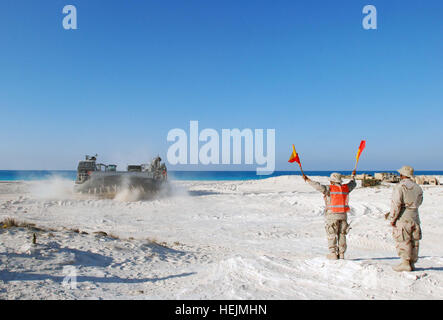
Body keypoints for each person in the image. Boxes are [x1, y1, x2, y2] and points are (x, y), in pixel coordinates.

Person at [303, 170, 357, 260]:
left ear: (332, 181)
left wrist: (308, 180)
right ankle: (342, 254)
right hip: (343, 215)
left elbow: (318, 186)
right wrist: (353, 176)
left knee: (332, 234)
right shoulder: (345, 188)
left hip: (332, 215)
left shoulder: (329, 188)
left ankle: (333, 254)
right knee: (342, 234)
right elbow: (353, 184)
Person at [389, 165, 423, 272]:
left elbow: (396, 204)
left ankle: (405, 263)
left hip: (403, 217)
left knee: (404, 240)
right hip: (415, 217)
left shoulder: (400, 187)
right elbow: (420, 202)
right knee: (414, 241)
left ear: (402, 175)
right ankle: (412, 263)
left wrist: (392, 218)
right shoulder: (418, 187)